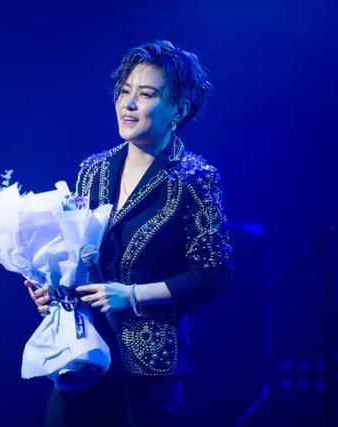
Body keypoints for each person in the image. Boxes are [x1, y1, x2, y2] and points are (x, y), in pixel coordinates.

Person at [25, 40, 233, 427]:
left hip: (147, 367)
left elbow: (213, 275)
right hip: (82, 353)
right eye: (124, 92)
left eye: (146, 94)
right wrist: (52, 289)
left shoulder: (194, 179)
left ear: (179, 109)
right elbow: (77, 255)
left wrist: (132, 295)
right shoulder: (93, 169)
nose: (129, 103)